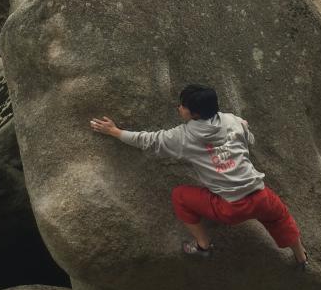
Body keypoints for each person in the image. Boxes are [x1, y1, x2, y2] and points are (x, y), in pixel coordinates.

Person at [90, 83, 308, 266]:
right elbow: (249, 139)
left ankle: (203, 245)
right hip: (260, 195)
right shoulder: (233, 120)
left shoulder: (184, 136)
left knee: (179, 196)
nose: (179, 107)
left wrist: (115, 132)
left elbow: (148, 140)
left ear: (194, 114)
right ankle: (301, 257)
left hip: (230, 207)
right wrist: (242, 131)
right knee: (280, 217)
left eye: (183, 106)